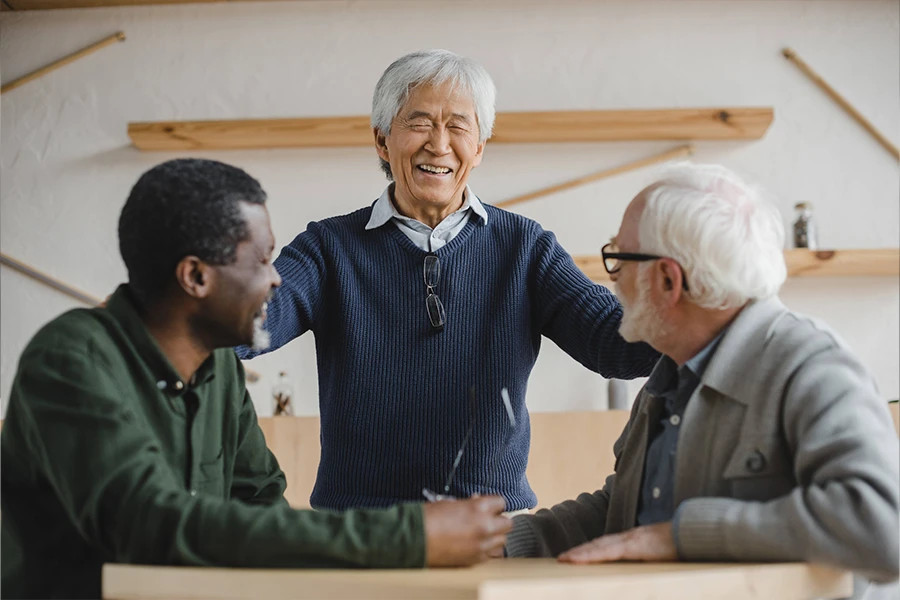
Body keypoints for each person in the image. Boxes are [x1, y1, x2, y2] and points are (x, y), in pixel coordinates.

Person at [0, 159, 512, 600]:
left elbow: (260, 499)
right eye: (263, 259)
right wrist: (405, 536)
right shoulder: (71, 361)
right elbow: (149, 524)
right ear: (196, 277)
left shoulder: (218, 363)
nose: (274, 278)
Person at [236, 49, 659, 512]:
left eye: (459, 126)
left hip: (493, 524)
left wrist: (698, 303)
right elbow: (248, 322)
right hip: (358, 529)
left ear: (478, 147)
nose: (439, 144)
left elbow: (613, 340)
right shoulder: (328, 247)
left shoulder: (525, 247)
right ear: (382, 141)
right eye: (419, 123)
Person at [504, 163, 900, 594]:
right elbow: (623, 514)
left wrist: (680, 536)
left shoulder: (812, 366)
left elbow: (881, 527)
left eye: (619, 258)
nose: (612, 279)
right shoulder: (669, 375)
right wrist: (508, 542)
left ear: (668, 279)